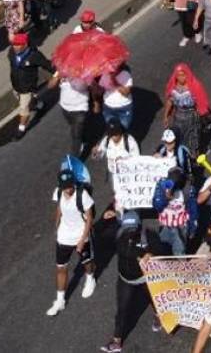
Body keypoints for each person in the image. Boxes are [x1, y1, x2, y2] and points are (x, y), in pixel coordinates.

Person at [47, 168, 97, 316]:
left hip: (80, 235)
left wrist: (82, 239)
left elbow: (89, 218)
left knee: (86, 262)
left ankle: (90, 278)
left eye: (70, 185)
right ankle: (60, 300)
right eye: (65, 186)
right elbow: (59, 209)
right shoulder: (58, 192)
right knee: (61, 268)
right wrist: (56, 226)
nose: (68, 189)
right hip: (64, 236)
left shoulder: (82, 195)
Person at [100, 210, 150, 353]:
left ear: (139, 226)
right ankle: (117, 342)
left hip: (144, 278)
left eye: (132, 229)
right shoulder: (118, 235)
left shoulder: (147, 236)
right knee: (122, 310)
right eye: (127, 229)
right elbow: (99, 236)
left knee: (155, 301)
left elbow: (158, 249)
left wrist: (150, 254)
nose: (129, 233)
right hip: (126, 280)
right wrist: (104, 220)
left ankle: (160, 318)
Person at [163, 62, 210, 159]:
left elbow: (200, 102)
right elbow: (170, 101)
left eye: (183, 75)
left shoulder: (194, 86)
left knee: (193, 140)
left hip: (191, 117)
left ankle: (194, 161)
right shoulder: (173, 87)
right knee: (177, 139)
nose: (181, 78)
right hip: (178, 117)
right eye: (178, 75)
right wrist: (166, 116)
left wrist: (204, 115)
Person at [153, 165, 198, 255]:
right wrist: (165, 199)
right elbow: (157, 206)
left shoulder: (188, 188)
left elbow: (193, 210)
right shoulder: (161, 185)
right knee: (163, 252)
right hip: (165, 226)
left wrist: (192, 228)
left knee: (179, 253)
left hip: (181, 227)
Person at [8, 31, 47, 135]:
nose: (15, 47)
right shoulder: (11, 52)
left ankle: (21, 128)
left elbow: (47, 65)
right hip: (16, 86)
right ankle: (38, 104)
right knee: (23, 100)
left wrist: (57, 74)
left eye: (18, 44)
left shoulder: (34, 55)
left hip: (27, 88)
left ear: (25, 44)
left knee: (23, 109)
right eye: (14, 44)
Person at [47, 70, 93, 158]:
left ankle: (74, 161)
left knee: (76, 136)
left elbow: (94, 89)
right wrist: (58, 77)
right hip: (65, 107)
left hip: (80, 109)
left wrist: (96, 102)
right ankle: (82, 138)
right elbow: (50, 86)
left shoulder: (87, 71)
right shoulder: (62, 69)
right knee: (74, 128)